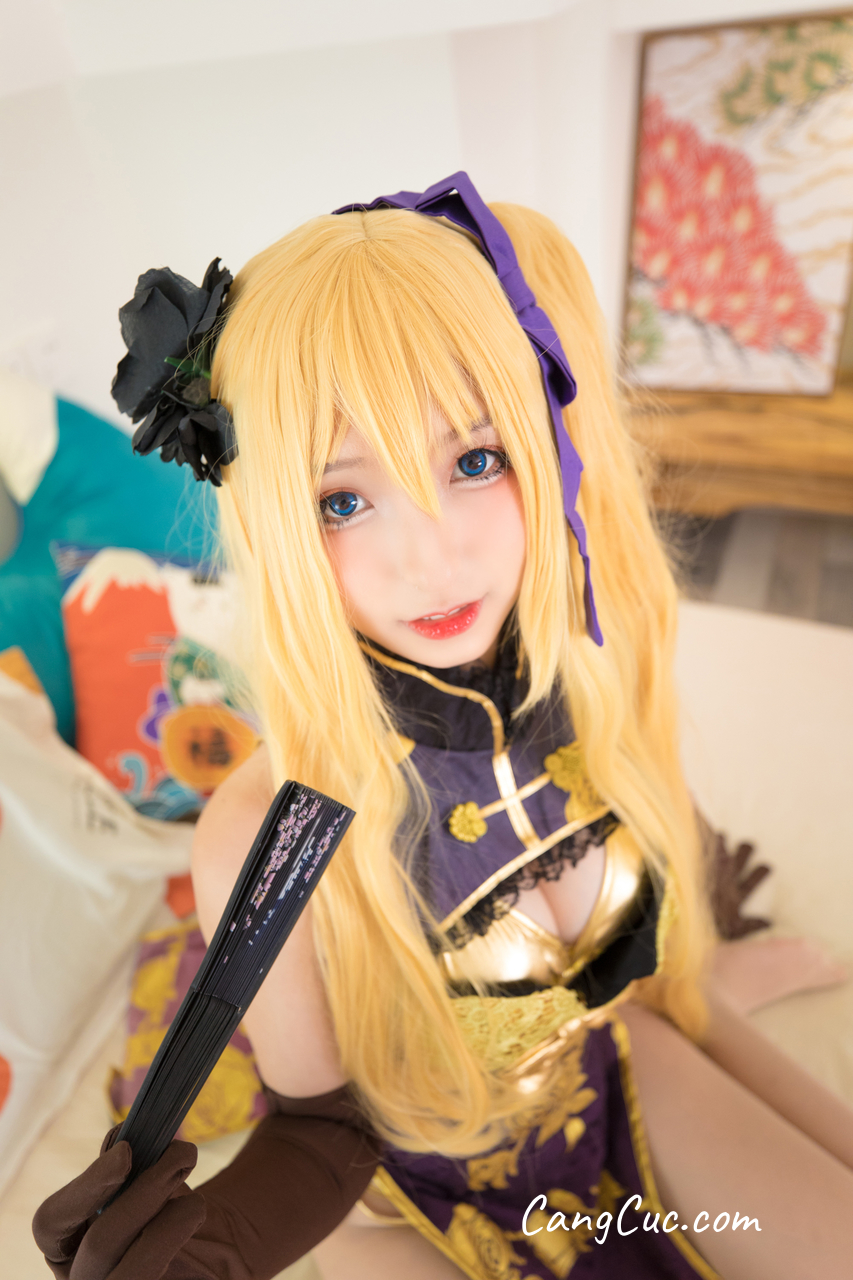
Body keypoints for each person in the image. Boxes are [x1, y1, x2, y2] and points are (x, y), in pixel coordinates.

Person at [33, 175, 853, 1280]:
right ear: (278, 522)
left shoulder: (591, 661)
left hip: (613, 1058)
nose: (431, 556)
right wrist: (217, 1246)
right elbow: (320, 1127)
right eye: (342, 499)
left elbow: (637, 904)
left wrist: (697, 962)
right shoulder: (268, 831)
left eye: (474, 460)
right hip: (416, 1195)